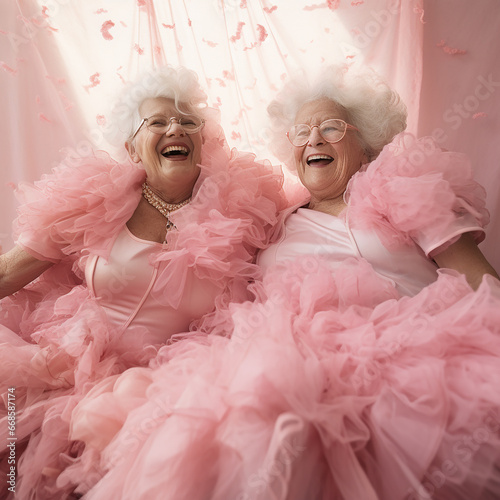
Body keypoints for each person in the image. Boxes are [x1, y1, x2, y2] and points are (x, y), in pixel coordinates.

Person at [65, 65, 500, 500]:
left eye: (330, 127)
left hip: (413, 358)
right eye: (302, 132)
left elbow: (486, 288)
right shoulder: (278, 224)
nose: (313, 139)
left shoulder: (403, 190)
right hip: (300, 373)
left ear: (365, 144)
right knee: (231, 427)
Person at [0, 65, 286, 498]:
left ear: (203, 143)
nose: (176, 127)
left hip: (176, 385)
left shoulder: (245, 209)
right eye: (158, 122)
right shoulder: (93, 198)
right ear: (133, 148)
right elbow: (8, 271)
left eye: (188, 121)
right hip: (76, 368)